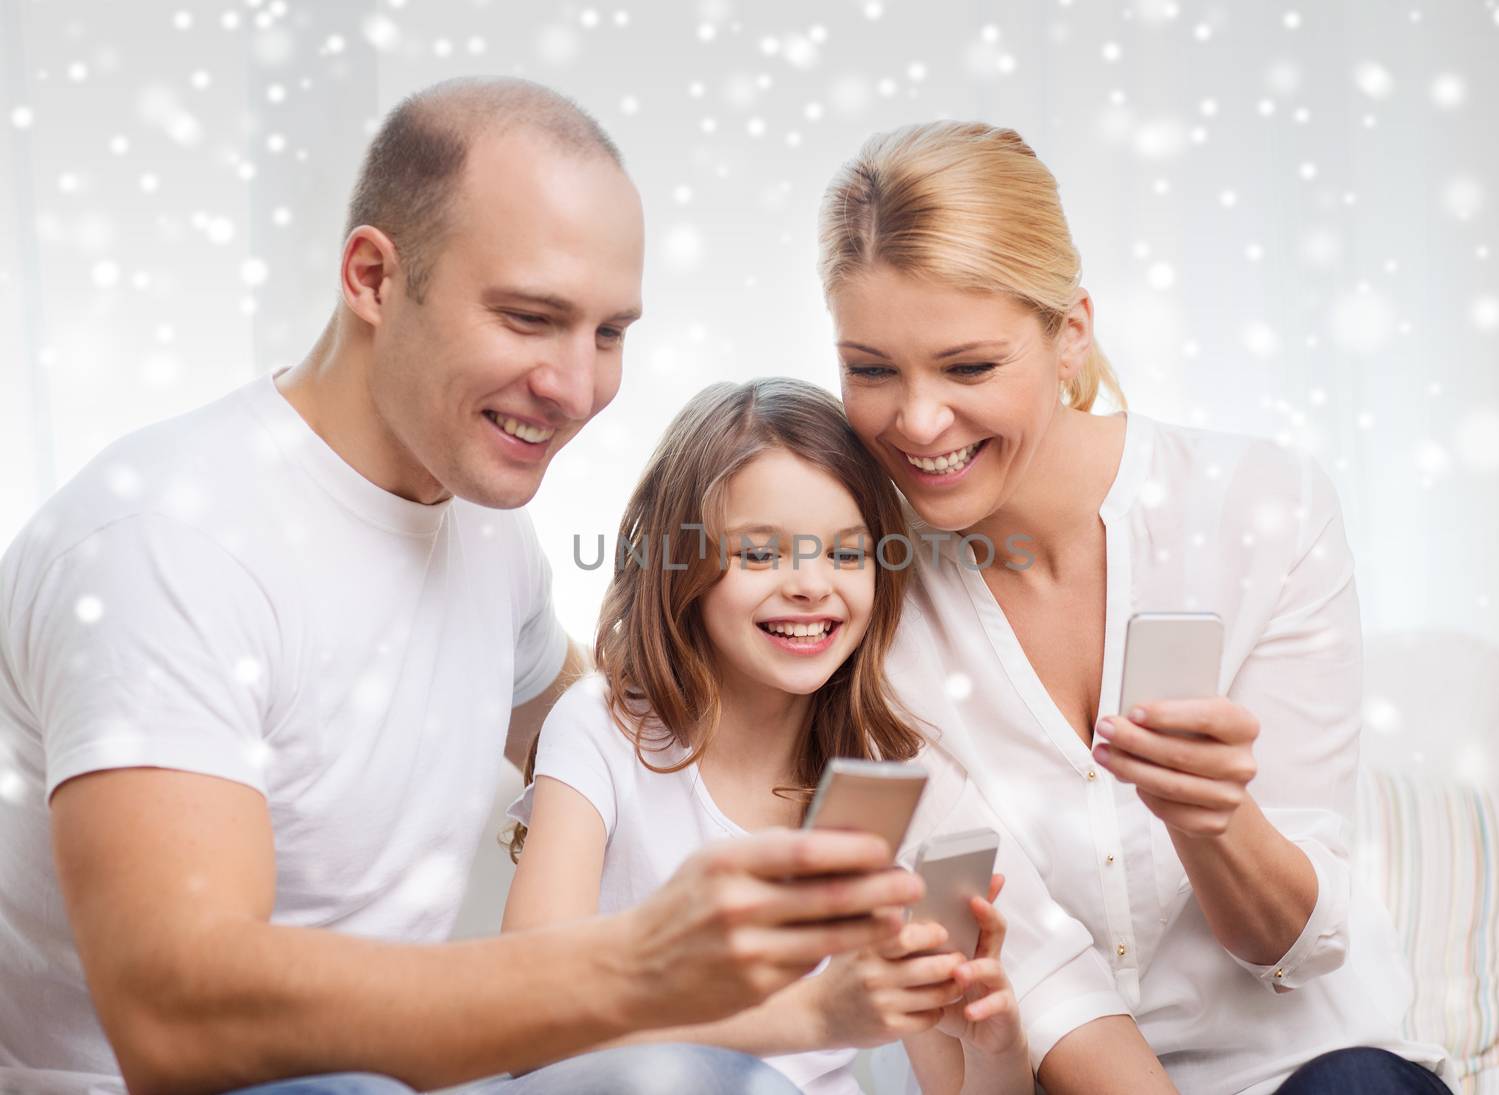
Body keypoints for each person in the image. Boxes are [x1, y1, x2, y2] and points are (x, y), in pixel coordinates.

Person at [0, 78, 925, 1095]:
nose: (577, 389)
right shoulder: (163, 544)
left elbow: (613, 721)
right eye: (530, 318)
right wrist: (641, 967)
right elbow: (176, 1024)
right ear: (371, 277)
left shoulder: (486, 535)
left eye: (610, 333)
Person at [815, 121, 1460, 1095]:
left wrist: (1212, 823)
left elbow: (1298, 945)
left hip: (1305, 1066)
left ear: (1070, 332)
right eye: (871, 369)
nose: (916, 420)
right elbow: (1022, 962)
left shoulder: (1259, 509)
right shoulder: (860, 598)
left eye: (968, 367)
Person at [500, 377, 1174, 1094]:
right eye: (761, 554)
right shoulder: (604, 727)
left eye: (848, 555)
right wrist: (806, 1015)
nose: (811, 585)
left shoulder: (890, 776)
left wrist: (994, 1049)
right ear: (681, 564)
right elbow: (531, 1028)